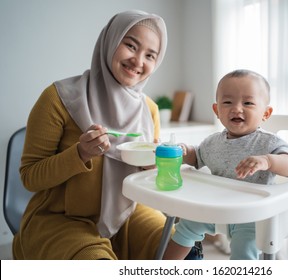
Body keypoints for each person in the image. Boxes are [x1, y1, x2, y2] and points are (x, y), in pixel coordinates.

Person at [13, 10, 200, 260]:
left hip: (128, 214)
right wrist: (80, 153)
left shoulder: (149, 110)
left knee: (183, 251)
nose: (138, 61)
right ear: (111, 40)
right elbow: (30, 178)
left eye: (150, 55)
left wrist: (152, 168)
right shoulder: (58, 98)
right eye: (131, 45)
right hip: (61, 219)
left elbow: (150, 183)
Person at [163, 69, 288, 260]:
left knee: (244, 252)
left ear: (266, 113)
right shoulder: (213, 142)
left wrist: (268, 160)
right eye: (227, 102)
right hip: (216, 206)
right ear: (216, 110)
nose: (237, 108)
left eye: (248, 103)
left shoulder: (267, 143)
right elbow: (197, 157)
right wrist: (184, 150)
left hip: (251, 216)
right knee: (186, 226)